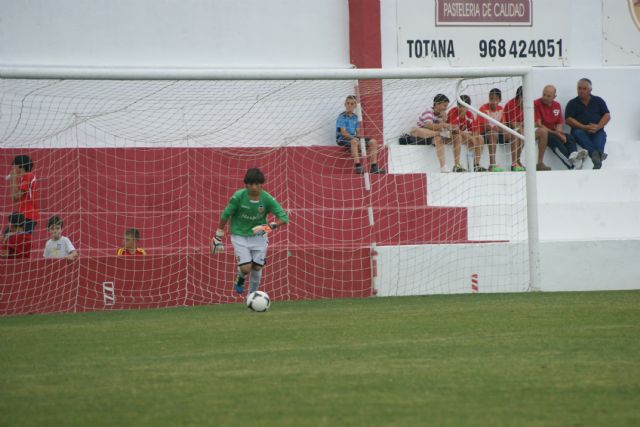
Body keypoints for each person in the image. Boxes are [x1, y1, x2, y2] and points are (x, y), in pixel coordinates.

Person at [212, 167, 289, 295]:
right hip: (239, 234)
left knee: (257, 267)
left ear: (261, 184)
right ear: (246, 184)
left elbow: (284, 218)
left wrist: (268, 227)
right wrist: (218, 234)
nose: (254, 187)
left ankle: (252, 296)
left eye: (257, 184)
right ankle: (240, 278)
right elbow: (226, 214)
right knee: (246, 268)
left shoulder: (267, 199)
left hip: (258, 236)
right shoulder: (238, 196)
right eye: (251, 184)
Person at [534, 85, 588, 170]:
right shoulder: (536, 103)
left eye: (548, 96)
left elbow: (559, 123)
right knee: (555, 141)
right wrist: (557, 134)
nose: (545, 97)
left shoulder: (557, 105)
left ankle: (574, 156)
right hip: (544, 132)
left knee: (569, 137)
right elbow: (539, 124)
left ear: (554, 97)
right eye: (544, 94)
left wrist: (560, 134)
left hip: (554, 132)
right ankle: (571, 165)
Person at [411, 94, 465, 173]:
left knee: (457, 136)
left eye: (446, 106)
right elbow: (429, 126)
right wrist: (443, 125)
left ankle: (457, 165)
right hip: (424, 136)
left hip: (434, 136)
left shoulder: (441, 115)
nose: (446, 108)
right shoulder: (428, 111)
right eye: (444, 105)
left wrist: (447, 124)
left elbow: (443, 129)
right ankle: (443, 167)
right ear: (436, 104)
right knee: (434, 136)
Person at [565, 78, 611, 169]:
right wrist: (583, 127)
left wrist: (598, 127)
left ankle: (597, 158)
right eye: (579, 88)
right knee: (577, 133)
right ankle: (596, 155)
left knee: (601, 136)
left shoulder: (598, 100)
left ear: (590, 90)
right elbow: (568, 119)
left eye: (584, 89)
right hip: (580, 131)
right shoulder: (572, 103)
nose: (581, 91)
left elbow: (607, 115)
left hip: (596, 130)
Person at [503, 86, 550, 171]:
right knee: (520, 131)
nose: (525, 100)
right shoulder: (511, 104)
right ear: (518, 97)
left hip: (525, 129)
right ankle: (515, 163)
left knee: (543, 132)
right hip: (510, 132)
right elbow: (514, 125)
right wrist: (525, 125)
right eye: (523, 98)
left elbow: (536, 122)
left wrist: (525, 125)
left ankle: (539, 163)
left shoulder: (530, 104)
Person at [336, 95, 385, 174]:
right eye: (348, 103)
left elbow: (358, 132)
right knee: (354, 142)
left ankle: (374, 166)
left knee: (373, 141)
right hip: (342, 138)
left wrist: (361, 139)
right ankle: (358, 166)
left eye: (352, 104)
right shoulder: (341, 117)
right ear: (345, 104)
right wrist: (355, 138)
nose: (349, 105)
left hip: (353, 137)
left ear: (355, 106)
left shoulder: (355, 117)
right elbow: (343, 133)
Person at [447, 94, 486, 172]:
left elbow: (475, 130)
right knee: (458, 136)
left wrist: (474, 139)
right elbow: (454, 130)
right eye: (460, 106)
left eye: (464, 106)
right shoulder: (452, 112)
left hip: (462, 135)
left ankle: (476, 165)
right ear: (457, 105)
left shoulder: (469, 115)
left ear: (468, 107)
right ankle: (457, 165)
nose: (461, 108)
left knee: (480, 138)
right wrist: (470, 137)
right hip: (448, 135)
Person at [5, 155, 38, 234]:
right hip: (22, 216)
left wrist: (14, 178)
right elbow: (14, 198)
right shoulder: (23, 179)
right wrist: (13, 180)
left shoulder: (29, 176)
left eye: (14, 167)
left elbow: (16, 196)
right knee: (7, 237)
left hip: (29, 216)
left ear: (20, 167)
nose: (12, 170)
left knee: (20, 241)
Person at [477, 88, 507, 172]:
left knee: (514, 134)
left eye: (496, 99)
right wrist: (496, 128)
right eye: (491, 99)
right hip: (485, 135)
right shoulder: (483, 108)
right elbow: (486, 127)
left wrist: (498, 128)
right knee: (492, 133)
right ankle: (492, 164)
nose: (493, 101)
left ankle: (515, 163)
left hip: (497, 133)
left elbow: (503, 126)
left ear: (500, 100)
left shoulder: (501, 109)